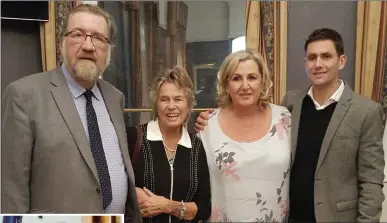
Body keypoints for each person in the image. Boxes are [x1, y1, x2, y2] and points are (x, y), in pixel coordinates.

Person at [195, 28, 385, 222]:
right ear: (305, 63)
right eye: (312, 58)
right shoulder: (291, 106)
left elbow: (371, 182)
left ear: (341, 60)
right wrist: (209, 119)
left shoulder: (366, 112)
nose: (318, 64)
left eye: (326, 56)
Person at [1, 4, 141, 220]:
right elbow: (10, 191)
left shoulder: (115, 98)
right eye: (78, 35)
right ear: (61, 44)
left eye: (98, 38)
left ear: (108, 50)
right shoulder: (24, 95)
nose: (88, 45)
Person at [198, 49, 291, 222]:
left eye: (252, 77)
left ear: (263, 82)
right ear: (226, 85)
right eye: (236, 78)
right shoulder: (207, 125)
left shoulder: (284, 118)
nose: (245, 86)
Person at [126, 66, 211, 222]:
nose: (171, 106)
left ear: (188, 105)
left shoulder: (196, 147)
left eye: (178, 99)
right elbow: (114, 184)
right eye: (164, 99)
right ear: (156, 104)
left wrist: (168, 206)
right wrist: (131, 191)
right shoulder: (133, 137)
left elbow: (204, 208)